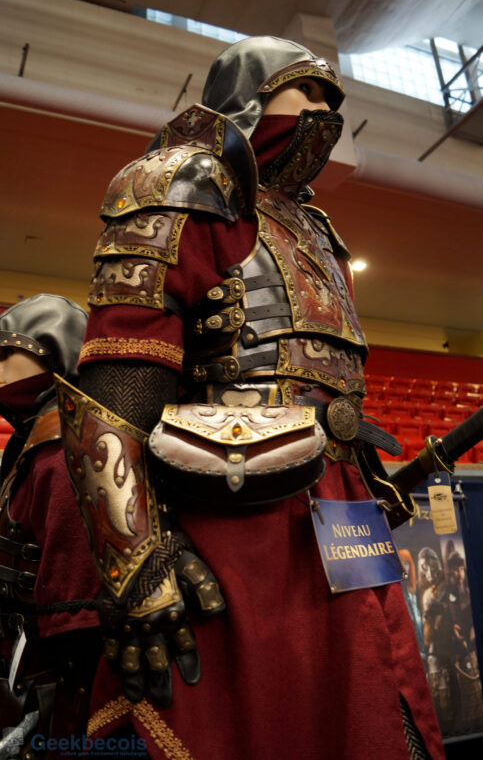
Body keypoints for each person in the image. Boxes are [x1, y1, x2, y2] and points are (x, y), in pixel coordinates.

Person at [57, 37, 445, 759]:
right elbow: (117, 385)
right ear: (246, 96)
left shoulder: (317, 230)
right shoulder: (177, 184)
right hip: (231, 523)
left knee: (370, 705)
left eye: (335, 99)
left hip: (341, 526)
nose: (324, 114)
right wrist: (136, 563)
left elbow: (330, 385)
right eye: (307, 91)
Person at [0, 295, 101, 754]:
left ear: (58, 350)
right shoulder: (33, 433)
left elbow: (74, 609)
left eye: (8, 352)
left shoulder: (62, 443)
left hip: (52, 685)